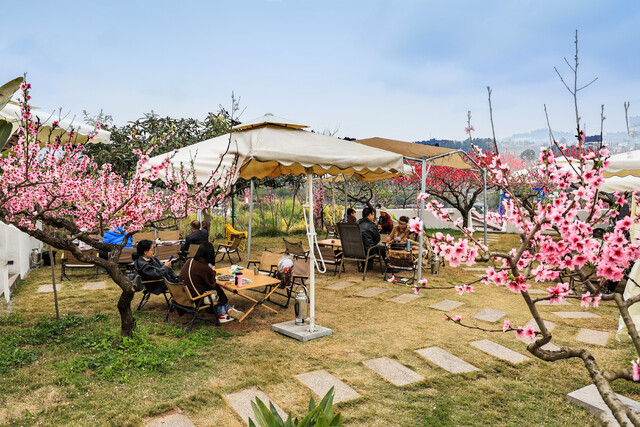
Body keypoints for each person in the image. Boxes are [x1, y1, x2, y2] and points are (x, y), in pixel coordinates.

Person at [178, 242, 243, 323]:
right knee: (217, 291)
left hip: (183, 297)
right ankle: (222, 313)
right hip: (195, 299)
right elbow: (212, 284)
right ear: (210, 255)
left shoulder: (189, 261)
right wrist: (212, 271)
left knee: (215, 290)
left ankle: (228, 308)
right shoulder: (204, 268)